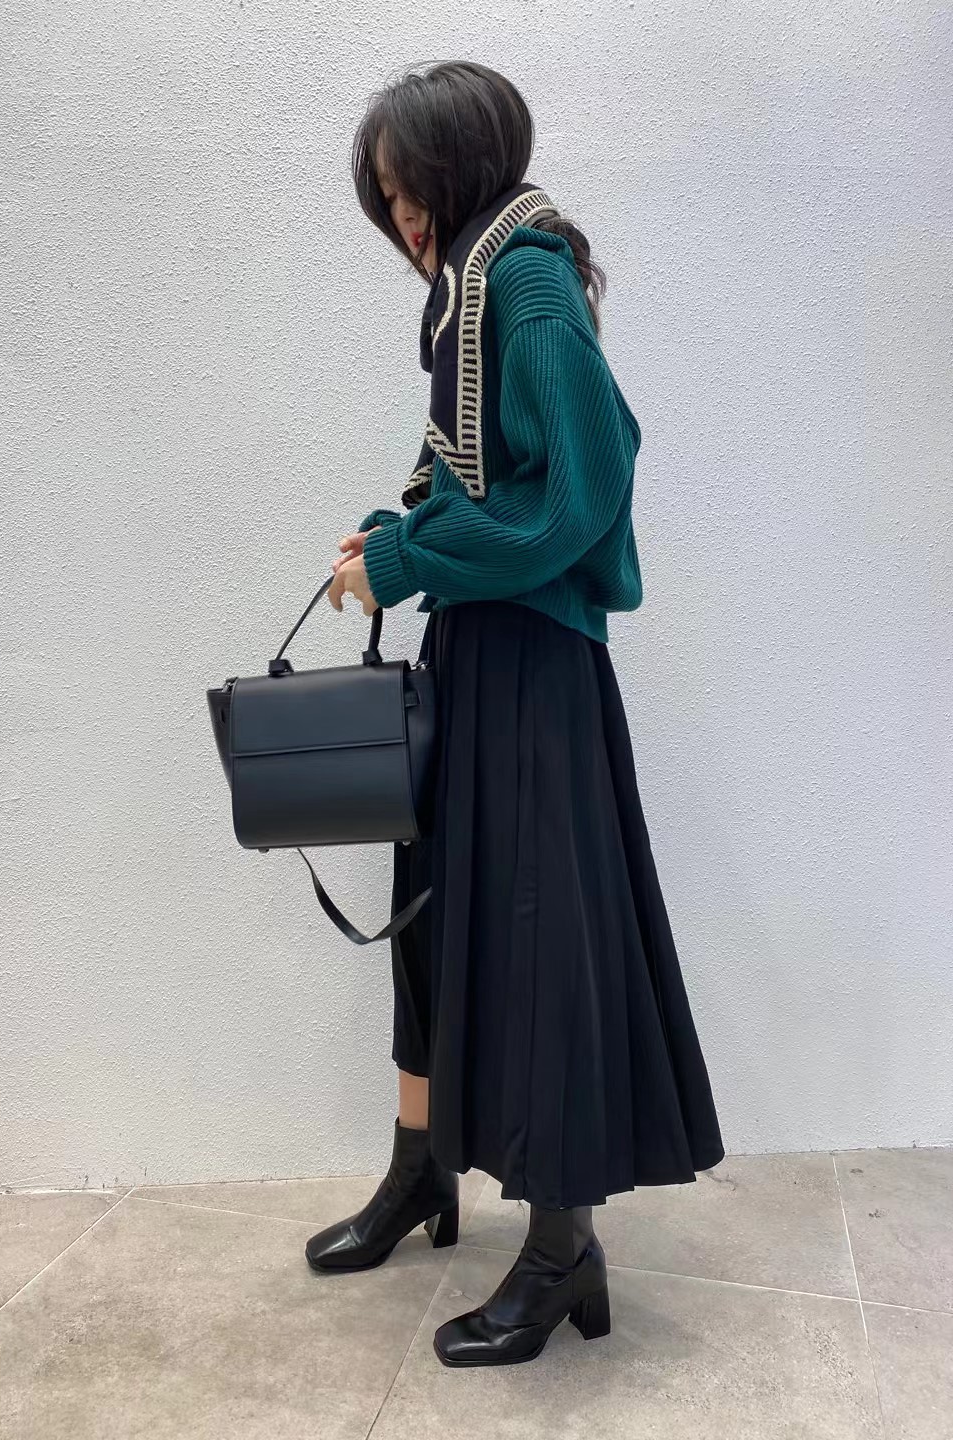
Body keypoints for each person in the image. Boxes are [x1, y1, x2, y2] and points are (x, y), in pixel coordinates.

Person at [310, 60, 725, 1369]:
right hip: (477, 655)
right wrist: (394, 534)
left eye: (412, 190)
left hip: (536, 668)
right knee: (433, 921)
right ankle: (421, 1171)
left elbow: (582, 493)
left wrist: (409, 561)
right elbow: (481, 476)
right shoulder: (466, 289)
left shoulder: (526, 282)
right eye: (387, 198)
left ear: (464, 167)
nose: (403, 218)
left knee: (541, 946)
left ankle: (561, 1250)